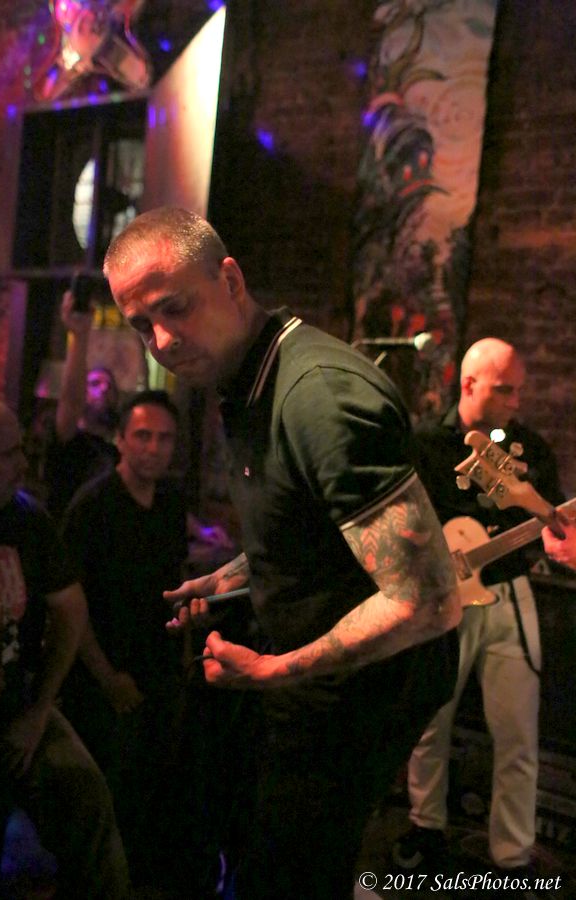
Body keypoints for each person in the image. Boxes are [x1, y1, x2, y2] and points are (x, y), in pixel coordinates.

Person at [102, 206, 462, 899]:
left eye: (175, 308)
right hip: (307, 686)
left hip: (351, 697)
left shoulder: (319, 397)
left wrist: (271, 670)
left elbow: (429, 601)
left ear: (230, 280)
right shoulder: (244, 376)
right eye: (141, 325)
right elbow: (311, 526)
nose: (162, 340)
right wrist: (240, 574)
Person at [394, 338, 564, 878]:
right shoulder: (426, 445)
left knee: (518, 732)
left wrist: (555, 537)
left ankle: (511, 857)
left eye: (519, 390)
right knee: (431, 721)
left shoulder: (532, 450)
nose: (516, 401)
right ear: (468, 384)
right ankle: (424, 828)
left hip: (510, 592)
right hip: (444, 600)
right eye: (504, 389)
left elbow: (551, 531)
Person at [0, 391, 130, 899]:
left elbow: (70, 609)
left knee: (88, 802)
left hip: (17, 706)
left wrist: (40, 708)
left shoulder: (27, 518)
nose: (25, 463)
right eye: (9, 453)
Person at [60, 390, 192, 890]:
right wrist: (106, 676)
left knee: (150, 800)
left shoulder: (171, 501)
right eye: (143, 436)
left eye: (164, 438)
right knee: (102, 804)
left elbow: (173, 580)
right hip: (103, 679)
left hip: (158, 671)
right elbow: (71, 605)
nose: (154, 448)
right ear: (119, 439)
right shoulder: (93, 505)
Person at [44, 289, 120, 519]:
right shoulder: (69, 438)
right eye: (95, 383)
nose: (103, 389)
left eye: (108, 385)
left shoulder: (118, 451)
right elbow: (71, 401)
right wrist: (79, 335)